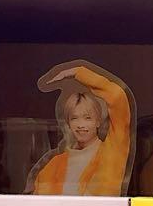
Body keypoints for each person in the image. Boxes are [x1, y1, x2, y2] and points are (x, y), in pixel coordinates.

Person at [30, 64, 133, 196]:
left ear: (98, 121)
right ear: (68, 123)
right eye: (74, 118)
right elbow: (38, 203)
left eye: (87, 118)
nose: (80, 125)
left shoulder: (112, 151)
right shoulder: (54, 165)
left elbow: (118, 98)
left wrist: (77, 72)